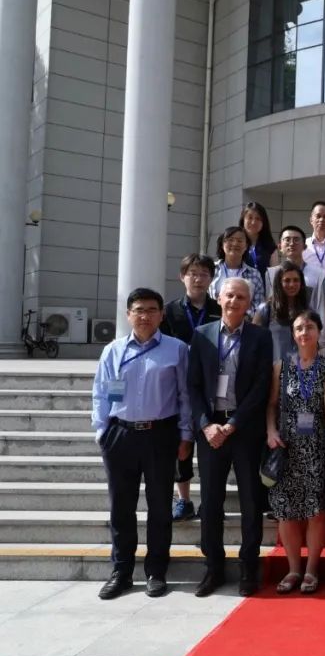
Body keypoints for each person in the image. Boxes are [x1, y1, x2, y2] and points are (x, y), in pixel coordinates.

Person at [92, 288, 192, 600]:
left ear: (161, 315)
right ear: (128, 315)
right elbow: (101, 393)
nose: (145, 316)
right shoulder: (113, 350)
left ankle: (156, 571)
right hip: (120, 435)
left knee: (160, 507)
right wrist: (102, 432)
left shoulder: (176, 349)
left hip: (160, 435)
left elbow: (185, 395)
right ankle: (121, 571)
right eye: (138, 310)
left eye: (151, 310)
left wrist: (186, 435)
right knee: (121, 507)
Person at [187, 278, 274, 597]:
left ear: (249, 303)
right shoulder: (202, 335)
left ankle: (249, 566)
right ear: (218, 298)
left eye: (241, 297)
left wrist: (234, 424)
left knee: (251, 501)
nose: (234, 301)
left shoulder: (260, 337)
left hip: (245, 430)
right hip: (210, 431)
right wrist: (206, 425)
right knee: (211, 502)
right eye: (229, 296)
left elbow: (262, 385)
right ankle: (214, 567)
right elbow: (193, 385)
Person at [265, 310, 325, 595]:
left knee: (316, 512)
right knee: (286, 511)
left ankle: (312, 569)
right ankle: (293, 569)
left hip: (317, 447)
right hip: (286, 447)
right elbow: (271, 404)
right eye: (299, 328)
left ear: (319, 331)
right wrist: (271, 431)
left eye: (310, 327)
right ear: (293, 334)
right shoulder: (282, 366)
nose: (304, 333)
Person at [161, 254, 221, 523]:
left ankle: (212, 502)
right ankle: (183, 500)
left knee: (212, 448)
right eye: (193, 273)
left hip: (213, 386)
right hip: (178, 385)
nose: (198, 279)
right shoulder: (169, 311)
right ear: (182, 277)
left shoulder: (220, 308)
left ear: (211, 279)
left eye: (204, 274)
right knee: (180, 444)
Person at [266, 226, 325, 332]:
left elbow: (322, 310)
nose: (292, 243)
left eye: (296, 239)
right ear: (280, 246)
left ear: (305, 246)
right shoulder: (270, 274)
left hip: (307, 332)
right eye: (287, 240)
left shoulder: (320, 275)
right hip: (278, 333)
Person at [253, 261, 309, 362]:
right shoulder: (266, 309)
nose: (292, 284)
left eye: (296, 280)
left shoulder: (307, 311)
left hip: (300, 368)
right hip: (274, 368)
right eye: (287, 280)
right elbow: (255, 344)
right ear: (279, 283)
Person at [210, 226, 265, 316]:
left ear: (246, 246)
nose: (235, 243)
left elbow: (258, 306)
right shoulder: (211, 269)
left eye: (239, 241)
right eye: (230, 240)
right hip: (213, 319)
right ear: (222, 244)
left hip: (244, 321)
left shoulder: (254, 274)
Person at [240, 201, 277, 275]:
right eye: (250, 218)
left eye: (258, 218)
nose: (253, 222)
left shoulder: (270, 246)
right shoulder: (236, 243)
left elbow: (274, 274)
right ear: (243, 220)